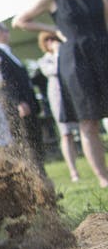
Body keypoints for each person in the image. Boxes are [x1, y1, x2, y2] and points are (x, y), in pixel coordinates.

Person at [13, 0, 108, 186]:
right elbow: (19, 21)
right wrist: (52, 28)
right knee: (88, 121)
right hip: (75, 61)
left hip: (103, 53)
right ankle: (103, 178)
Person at [0, 21, 46, 175]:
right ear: (0, 33)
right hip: (17, 105)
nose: (8, 33)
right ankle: (33, 175)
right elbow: (4, 82)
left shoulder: (6, 52)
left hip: (26, 103)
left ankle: (40, 173)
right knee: (26, 141)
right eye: (6, 30)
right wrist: (18, 102)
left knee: (34, 140)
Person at [36, 32, 84, 182]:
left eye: (53, 39)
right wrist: (57, 53)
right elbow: (54, 71)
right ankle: (73, 171)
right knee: (66, 133)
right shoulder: (44, 61)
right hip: (58, 98)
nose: (52, 42)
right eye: (48, 40)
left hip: (74, 94)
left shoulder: (69, 54)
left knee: (87, 128)